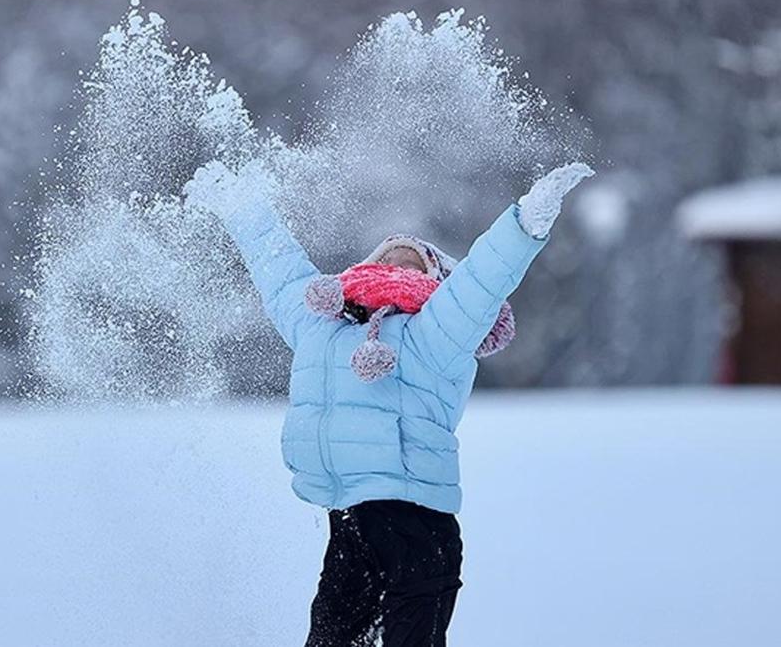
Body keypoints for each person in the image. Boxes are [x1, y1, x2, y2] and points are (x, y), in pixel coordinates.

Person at [183, 160, 593, 646]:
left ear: (437, 280)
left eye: (412, 263)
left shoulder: (437, 333)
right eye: (387, 259)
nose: (397, 268)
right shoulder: (323, 327)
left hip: (418, 526)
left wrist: (524, 223)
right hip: (350, 523)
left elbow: (480, 281)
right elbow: (281, 272)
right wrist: (243, 210)